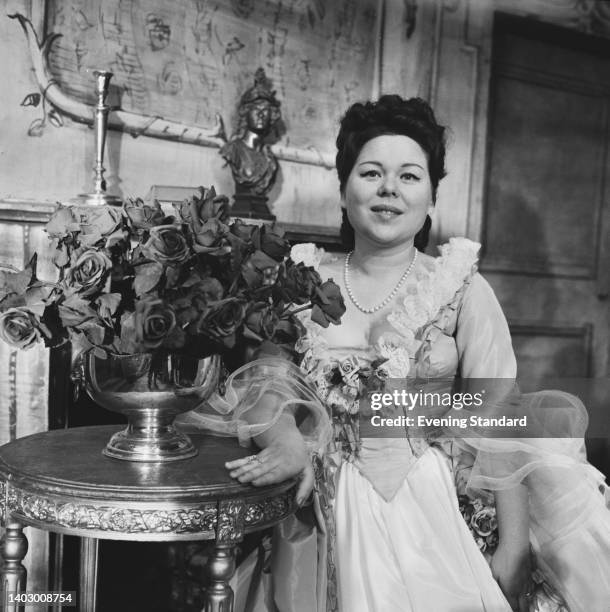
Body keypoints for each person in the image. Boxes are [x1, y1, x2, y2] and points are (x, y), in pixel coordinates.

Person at [206, 95, 610, 611]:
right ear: (344, 189)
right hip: (323, 511)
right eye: (371, 173)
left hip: (436, 505)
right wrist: (286, 439)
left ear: (431, 198)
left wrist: (512, 547)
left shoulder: (462, 287)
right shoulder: (302, 281)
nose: (389, 189)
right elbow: (265, 381)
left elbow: (497, 414)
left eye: (410, 176)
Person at [219, 67, 281, 198]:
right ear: (246, 113)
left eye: (265, 110)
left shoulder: (270, 160)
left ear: (272, 116)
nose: (260, 115)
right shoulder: (233, 150)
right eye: (255, 109)